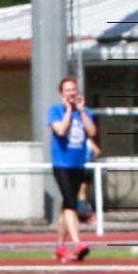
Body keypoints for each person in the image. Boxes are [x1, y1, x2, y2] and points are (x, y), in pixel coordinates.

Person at [47, 76, 97, 263]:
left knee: (66, 207)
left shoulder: (86, 112)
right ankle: (78, 244)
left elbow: (92, 132)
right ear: (62, 94)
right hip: (62, 164)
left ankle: (60, 247)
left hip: (78, 164)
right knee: (70, 203)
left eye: (73, 89)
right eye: (67, 90)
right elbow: (60, 131)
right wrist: (68, 111)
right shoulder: (55, 111)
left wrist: (81, 111)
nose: (71, 93)